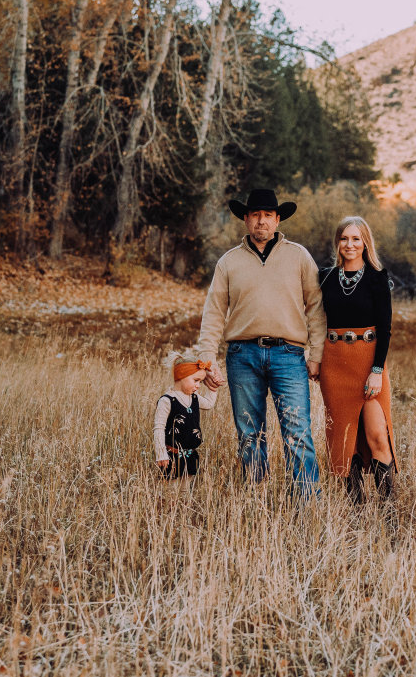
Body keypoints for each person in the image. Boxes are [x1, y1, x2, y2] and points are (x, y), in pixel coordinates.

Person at [195, 188, 325, 494]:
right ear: (245, 219)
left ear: (278, 219)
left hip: (289, 354)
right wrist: (207, 358)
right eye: (255, 215)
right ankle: (256, 501)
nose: (261, 222)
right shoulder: (229, 262)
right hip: (242, 355)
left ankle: (306, 507)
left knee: (297, 432)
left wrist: (316, 353)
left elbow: (317, 308)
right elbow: (213, 313)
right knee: (249, 434)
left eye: (268, 215)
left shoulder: (299, 256)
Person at [318, 215, 396, 501]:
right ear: (337, 242)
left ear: (365, 242)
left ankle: (388, 514)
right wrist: (313, 357)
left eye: (355, 238)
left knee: (377, 434)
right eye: (344, 238)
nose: (349, 244)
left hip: (368, 362)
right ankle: (357, 514)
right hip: (335, 364)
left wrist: (377, 370)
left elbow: (385, 329)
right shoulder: (325, 277)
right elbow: (315, 319)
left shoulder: (377, 277)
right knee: (344, 440)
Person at [153, 351, 219, 479]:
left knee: (185, 492)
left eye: (200, 382)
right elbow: (159, 428)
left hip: (190, 455)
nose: (198, 385)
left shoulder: (194, 398)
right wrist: (161, 454)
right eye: (196, 380)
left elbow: (209, 403)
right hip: (171, 455)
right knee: (171, 492)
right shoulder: (167, 400)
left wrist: (213, 388)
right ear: (181, 375)